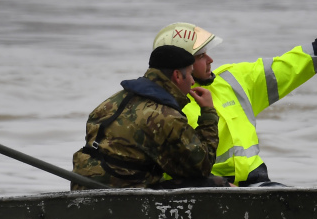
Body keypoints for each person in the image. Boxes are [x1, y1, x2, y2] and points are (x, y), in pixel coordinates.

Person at [152, 22, 317, 186]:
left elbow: (286, 68)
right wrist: (214, 185)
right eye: (201, 56)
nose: (210, 60)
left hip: (254, 185)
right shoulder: (161, 106)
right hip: (205, 190)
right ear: (178, 65)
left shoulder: (234, 79)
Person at [72, 44, 229, 190]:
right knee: (217, 184)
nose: (193, 81)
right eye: (190, 73)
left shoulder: (111, 102)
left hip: (82, 185)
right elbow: (202, 167)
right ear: (177, 76)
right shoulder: (166, 116)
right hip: (124, 193)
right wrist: (208, 112)